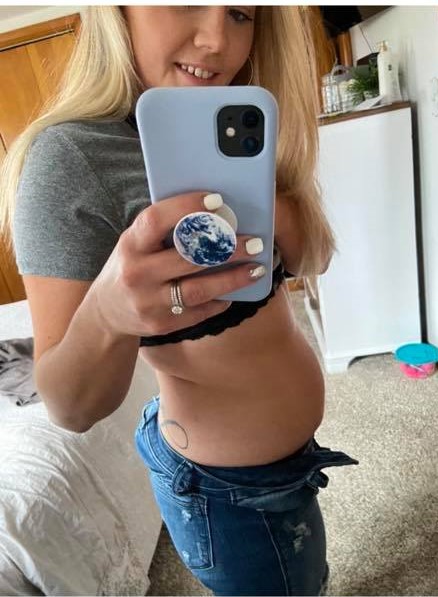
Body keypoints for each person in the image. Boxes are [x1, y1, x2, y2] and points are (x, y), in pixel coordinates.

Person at [0, 6, 358, 596]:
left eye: (241, 12)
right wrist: (109, 312)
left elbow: (312, 261)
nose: (218, 40)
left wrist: (269, 194)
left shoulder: (243, 123)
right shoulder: (71, 158)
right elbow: (69, 406)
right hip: (227, 492)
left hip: (281, 467)